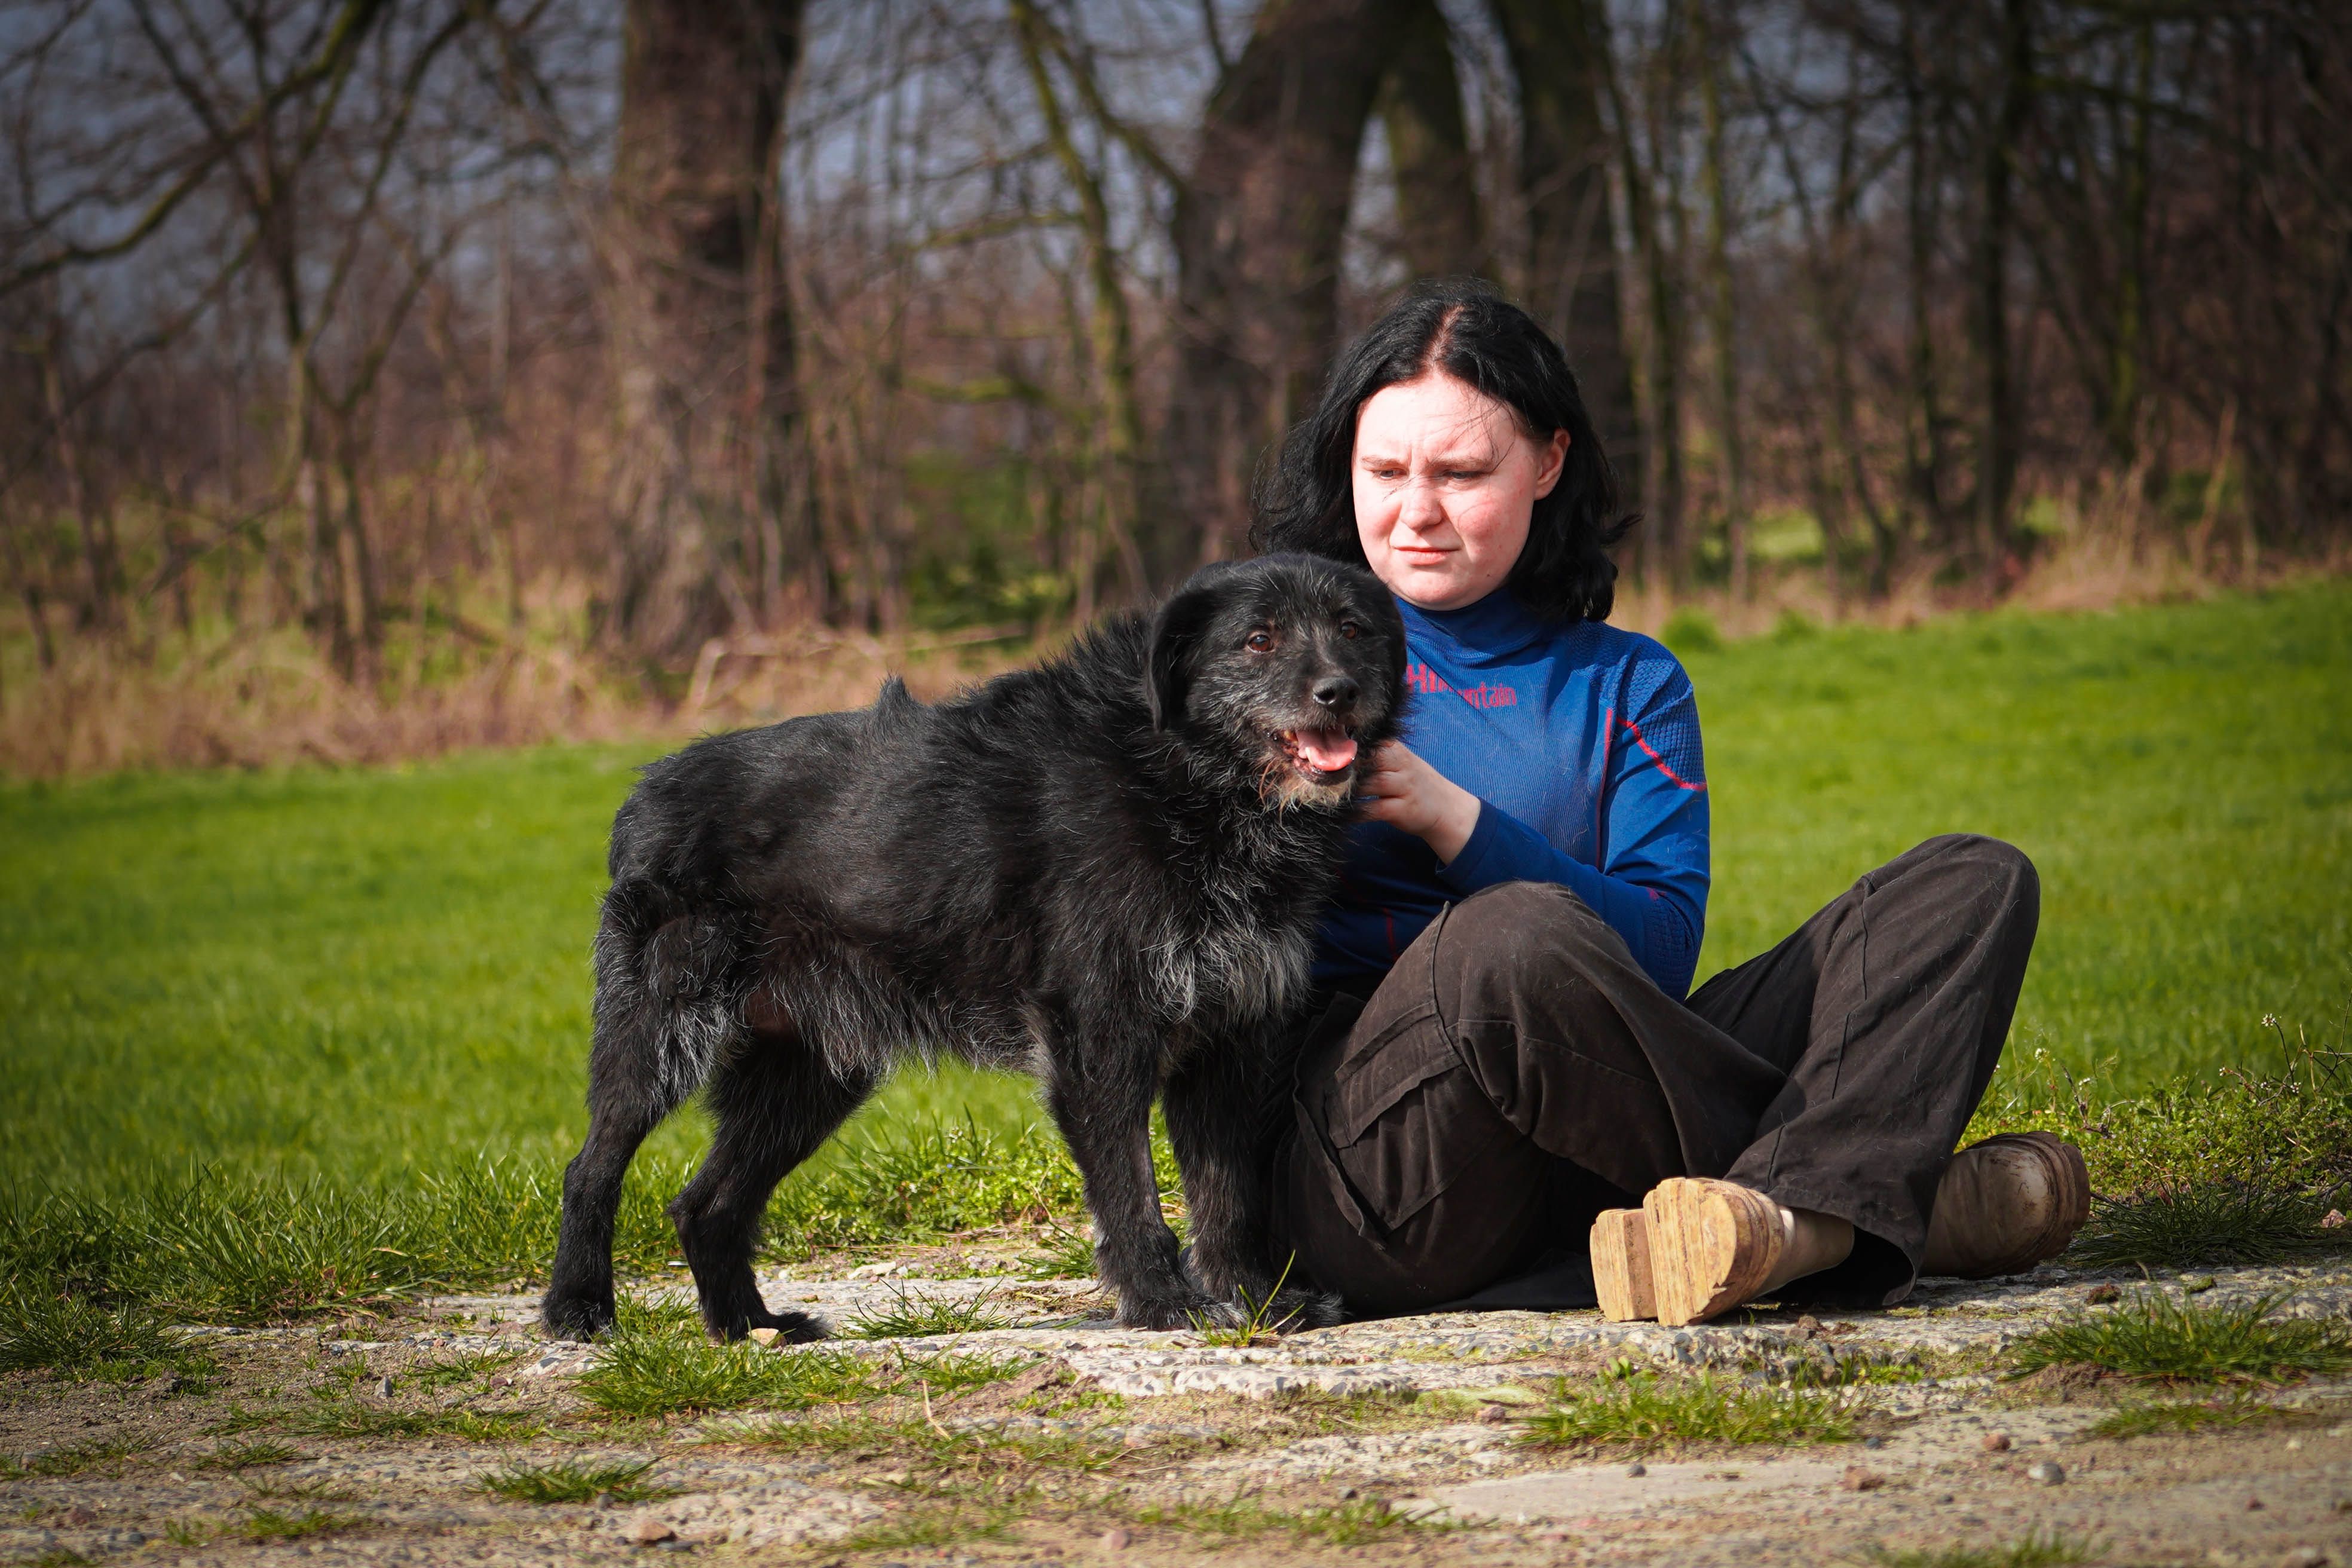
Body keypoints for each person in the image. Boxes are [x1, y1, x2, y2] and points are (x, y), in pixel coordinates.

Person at [1254, 279, 2087, 1326]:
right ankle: (1851, 1207)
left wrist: (1452, 821)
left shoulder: (1631, 684)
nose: (1414, 511)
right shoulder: (1270, 661)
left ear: (1550, 463)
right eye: (1383, 470)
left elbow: (1654, 959)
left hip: (1605, 1106)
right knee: (1505, 939)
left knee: (1971, 883)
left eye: (1461, 472)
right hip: (1381, 1176)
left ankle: (1766, 1229)